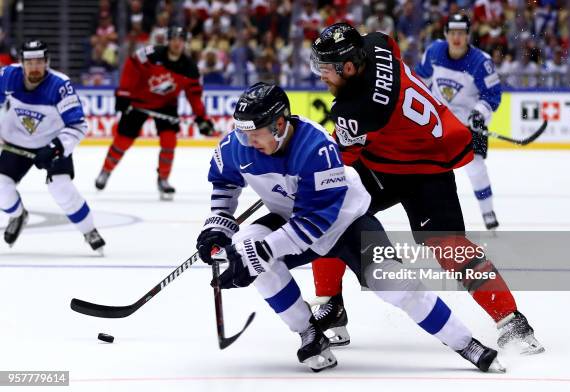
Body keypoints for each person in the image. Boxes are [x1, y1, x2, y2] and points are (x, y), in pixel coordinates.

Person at [195, 82, 505, 373]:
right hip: (290, 218)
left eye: (254, 133)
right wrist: (218, 226)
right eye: (241, 132)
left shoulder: (316, 147)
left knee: (394, 283)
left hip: (346, 222)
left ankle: (467, 344)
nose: (247, 141)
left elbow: (317, 220)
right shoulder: (238, 146)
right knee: (247, 248)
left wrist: (264, 251)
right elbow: (225, 181)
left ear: (279, 125)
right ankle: (309, 333)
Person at [309, 23, 543, 354]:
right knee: (333, 210)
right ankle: (331, 307)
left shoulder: (357, 111)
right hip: (417, 156)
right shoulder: (376, 43)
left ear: (349, 66)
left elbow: (342, 159)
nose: (321, 76)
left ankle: (510, 321)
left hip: (418, 168)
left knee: (445, 247)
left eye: (325, 69)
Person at [0, 40, 105, 252]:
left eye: (40, 61)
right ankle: (18, 215)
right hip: (17, 142)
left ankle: (88, 230)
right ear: (21, 63)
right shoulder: (7, 76)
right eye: (30, 62)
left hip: (52, 143)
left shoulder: (59, 85)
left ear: (47, 62)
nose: (35, 67)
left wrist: (56, 147)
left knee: (60, 187)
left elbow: (77, 125)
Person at [94, 26, 215, 200]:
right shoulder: (152, 54)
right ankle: (105, 171)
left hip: (166, 105)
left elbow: (194, 96)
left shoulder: (190, 68)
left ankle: (163, 180)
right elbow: (131, 63)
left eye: (180, 40)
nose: (176, 43)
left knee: (169, 142)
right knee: (122, 141)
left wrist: (201, 117)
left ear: (185, 43)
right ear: (167, 40)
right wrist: (124, 92)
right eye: (173, 39)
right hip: (138, 101)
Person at [415, 13, 501, 230]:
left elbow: (492, 97)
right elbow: (419, 81)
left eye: (461, 33)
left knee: (476, 168)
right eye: (452, 32)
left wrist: (479, 113)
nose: (456, 37)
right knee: (428, 169)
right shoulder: (434, 52)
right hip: (438, 123)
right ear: (445, 34)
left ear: (468, 35)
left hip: (469, 126)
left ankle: (487, 210)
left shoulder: (481, 62)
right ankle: (429, 216)